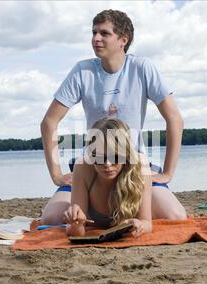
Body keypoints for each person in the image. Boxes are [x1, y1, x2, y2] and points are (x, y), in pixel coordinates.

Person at [40, 9, 186, 221]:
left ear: (123, 40)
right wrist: (56, 174)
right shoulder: (82, 71)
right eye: (94, 33)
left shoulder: (142, 68)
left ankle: (122, 210)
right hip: (95, 165)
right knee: (51, 219)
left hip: (133, 166)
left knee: (174, 216)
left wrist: (167, 173)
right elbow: (49, 122)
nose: (96, 39)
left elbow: (175, 119)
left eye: (104, 33)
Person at [40, 117, 153, 238]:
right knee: (50, 219)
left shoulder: (140, 165)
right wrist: (76, 225)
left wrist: (139, 225)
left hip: (129, 183)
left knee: (173, 213)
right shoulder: (82, 166)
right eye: (98, 157)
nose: (107, 165)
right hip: (74, 187)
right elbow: (76, 232)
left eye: (115, 157)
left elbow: (147, 223)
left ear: (126, 154)